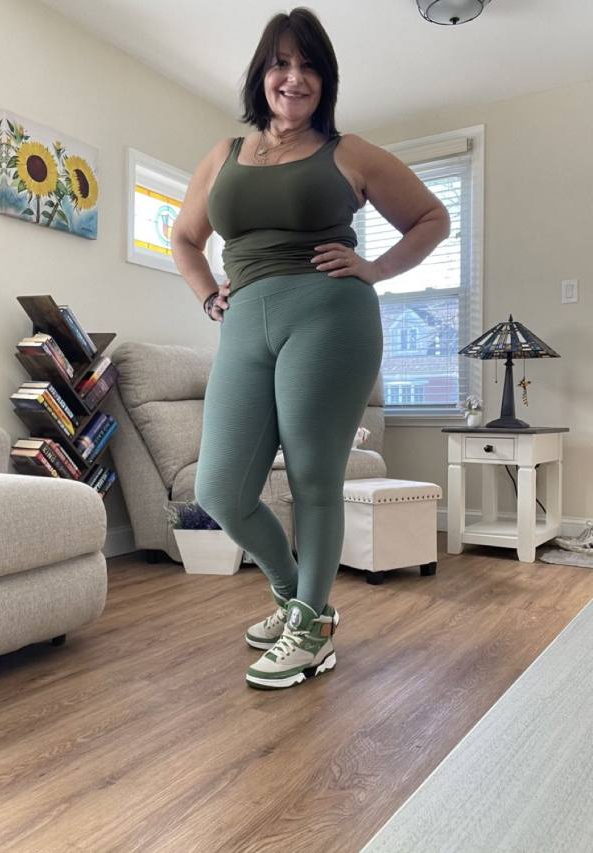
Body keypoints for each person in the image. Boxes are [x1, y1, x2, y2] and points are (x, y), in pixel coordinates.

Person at [171, 8, 450, 690]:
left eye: (309, 67)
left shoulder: (348, 152)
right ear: (261, 74)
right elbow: (183, 238)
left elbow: (431, 218)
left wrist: (376, 269)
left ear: (326, 81)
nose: (294, 78)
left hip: (330, 318)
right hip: (245, 324)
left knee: (312, 479)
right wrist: (208, 294)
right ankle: (300, 601)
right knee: (219, 488)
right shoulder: (224, 154)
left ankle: (309, 631)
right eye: (281, 63)